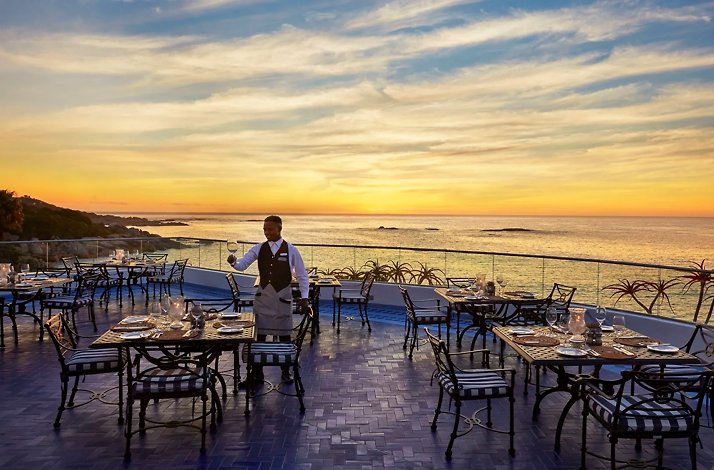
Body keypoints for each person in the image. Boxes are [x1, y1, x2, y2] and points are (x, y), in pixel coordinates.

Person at [227, 215, 310, 384]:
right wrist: (233, 262)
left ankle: (286, 371)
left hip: (283, 298)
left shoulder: (291, 249)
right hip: (264, 298)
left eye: (270, 229)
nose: (266, 232)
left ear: (280, 228)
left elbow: (302, 275)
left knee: (285, 335)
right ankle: (257, 374)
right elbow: (242, 265)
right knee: (259, 337)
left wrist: (304, 298)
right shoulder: (258, 248)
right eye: (264, 229)